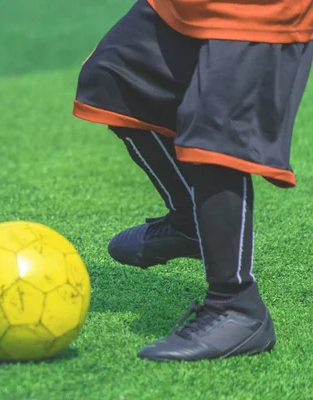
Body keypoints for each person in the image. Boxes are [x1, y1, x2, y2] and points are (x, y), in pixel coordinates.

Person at [73, 0, 312, 361]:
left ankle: (237, 307)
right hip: (185, 5)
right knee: (112, 78)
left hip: (257, 11)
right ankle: (190, 223)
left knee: (214, 130)